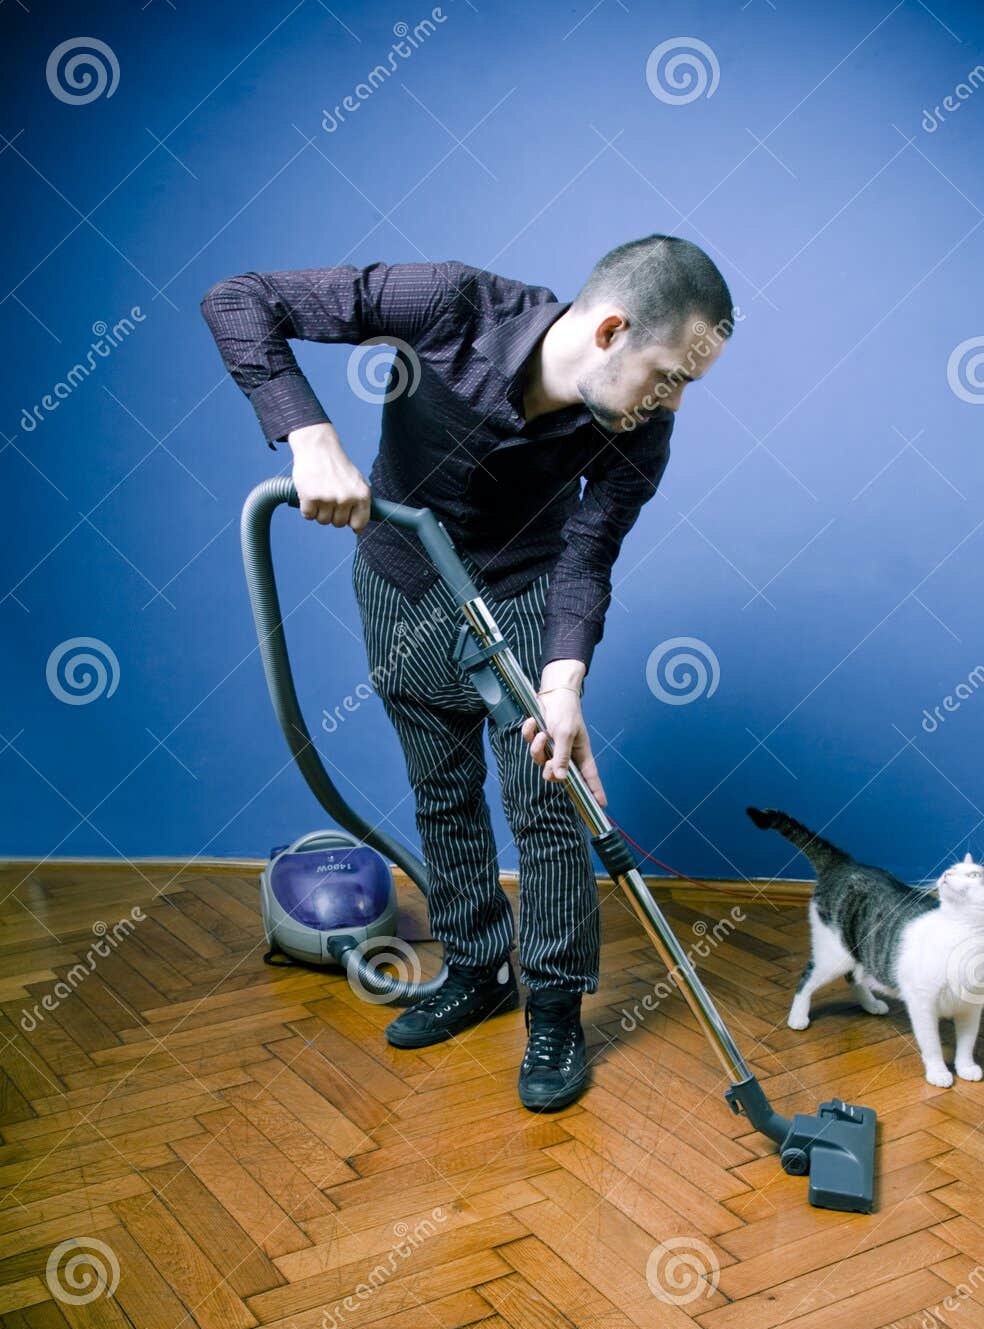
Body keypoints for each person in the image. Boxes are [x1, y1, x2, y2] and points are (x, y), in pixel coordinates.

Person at [201, 235, 733, 1110]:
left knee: (546, 805)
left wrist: (562, 685)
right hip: (401, 580)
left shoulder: (642, 426)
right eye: (669, 375)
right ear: (609, 330)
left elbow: (589, 552)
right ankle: (478, 972)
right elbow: (238, 298)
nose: (671, 400)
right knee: (441, 791)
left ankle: (553, 1009)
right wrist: (309, 435)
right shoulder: (451, 304)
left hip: (522, 592)